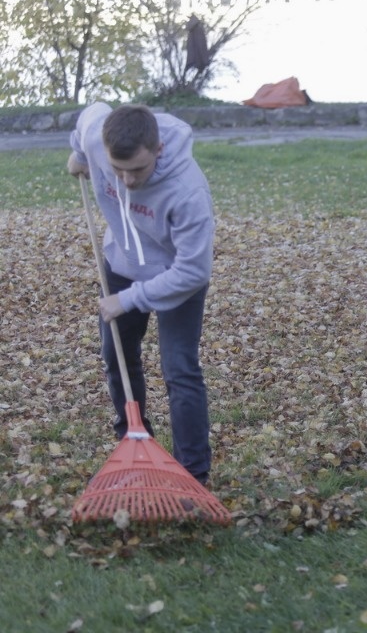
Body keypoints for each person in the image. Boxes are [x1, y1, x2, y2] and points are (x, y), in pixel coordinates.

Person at [67, 103, 216, 485]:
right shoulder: (98, 139)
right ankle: (134, 444)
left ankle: (192, 476)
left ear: (160, 149)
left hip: (175, 278)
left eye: (137, 170)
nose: (126, 181)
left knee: (180, 369)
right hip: (121, 264)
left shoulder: (188, 192)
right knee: (116, 359)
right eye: (118, 170)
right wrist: (80, 154)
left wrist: (129, 299)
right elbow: (90, 115)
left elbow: (193, 271)